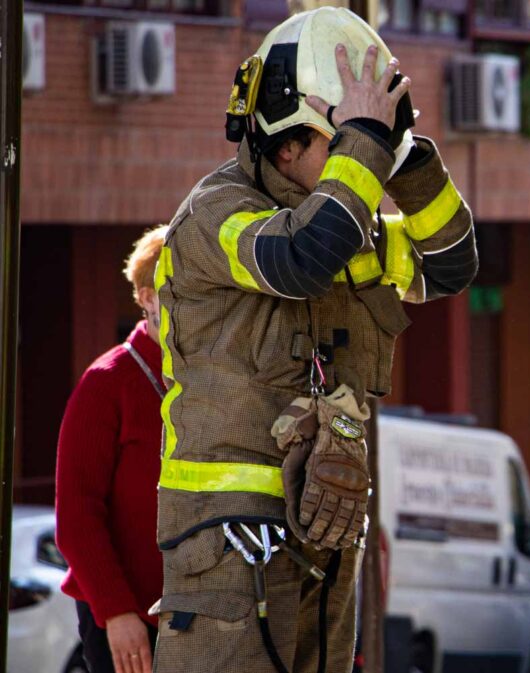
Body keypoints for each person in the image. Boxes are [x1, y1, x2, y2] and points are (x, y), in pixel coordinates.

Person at [151, 8, 476, 673]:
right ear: (285, 143)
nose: (361, 165)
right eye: (344, 142)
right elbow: (299, 258)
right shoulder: (218, 214)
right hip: (230, 540)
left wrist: (406, 158)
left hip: (324, 527)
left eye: (367, 147)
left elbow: (450, 264)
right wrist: (362, 143)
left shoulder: (347, 224)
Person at [55, 226, 169, 673]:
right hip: (125, 620)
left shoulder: (207, 380)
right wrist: (117, 613)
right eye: (175, 292)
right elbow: (77, 519)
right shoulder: (107, 381)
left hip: (197, 616)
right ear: (146, 298)